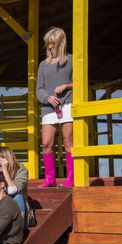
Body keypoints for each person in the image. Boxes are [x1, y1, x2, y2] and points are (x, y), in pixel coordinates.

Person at [36, 27, 74, 188]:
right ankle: (49, 179)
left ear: (60, 43)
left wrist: (66, 85)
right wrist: (47, 97)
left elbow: (80, 82)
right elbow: (39, 89)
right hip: (48, 108)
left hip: (67, 103)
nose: (50, 47)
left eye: (52, 44)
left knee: (68, 140)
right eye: (48, 44)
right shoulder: (43, 65)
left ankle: (71, 179)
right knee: (46, 143)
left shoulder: (71, 60)